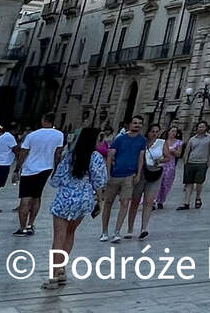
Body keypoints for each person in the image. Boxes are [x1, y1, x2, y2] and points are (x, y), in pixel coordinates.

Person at [41, 126, 108, 290]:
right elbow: (100, 181)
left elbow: (56, 179)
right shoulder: (96, 157)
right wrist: (99, 201)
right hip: (84, 199)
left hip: (65, 198)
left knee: (58, 237)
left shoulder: (70, 156)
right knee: (71, 233)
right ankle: (62, 270)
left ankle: (53, 277)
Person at [14, 113, 66, 236]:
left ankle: (22, 228)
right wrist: (56, 170)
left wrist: (17, 169)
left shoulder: (32, 135)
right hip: (47, 169)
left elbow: (23, 153)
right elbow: (57, 154)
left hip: (29, 170)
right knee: (37, 197)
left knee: (25, 198)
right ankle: (30, 224)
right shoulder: (59, 135)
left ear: (43, 120)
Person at [101, 116, 147, 242]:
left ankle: (117, 232)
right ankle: (104, 231)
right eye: (135, 123)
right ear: (130, 124)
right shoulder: (120, 139)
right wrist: (108, 172)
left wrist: (138, 173)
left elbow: (141, 157)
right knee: (108, 202)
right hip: (115, 174)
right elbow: (111, 155)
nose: (137, 125)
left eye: (140, 123)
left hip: (129, 175)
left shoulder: (142, 140)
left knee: (125, 202)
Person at [129, 123, 165, 240]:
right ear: (148, 132)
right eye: (152, 131)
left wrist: (160, 160)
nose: (154, 134)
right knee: (135, 201)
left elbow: (168, 157)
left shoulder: (161, 143)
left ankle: (143, 228)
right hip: (142, 172)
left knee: (148, 202)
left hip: (155, 173)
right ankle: (130, 229)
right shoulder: (142, 142)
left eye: (157, 131)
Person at [177, 120, 210, 210]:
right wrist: (185, 161)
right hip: (191, 162)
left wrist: (208, 163)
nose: (201, 128)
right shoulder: (192, 139)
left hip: (202, 163)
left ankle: (198, 197)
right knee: (188, 183)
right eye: (199, 127)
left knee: (199, 182)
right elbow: (187, 151)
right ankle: (186, 202)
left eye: (203, 127)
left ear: (206, 128)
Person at [154, 125, 183, 210]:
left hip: (170, 165)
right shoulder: (162, 141)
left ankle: (161, 201)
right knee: (157, 182)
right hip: (161, 163)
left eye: (175, 131)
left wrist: (174, 151)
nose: (174, 133)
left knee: (166, 183)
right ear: (168, 132)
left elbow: (179, 154)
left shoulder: (179, 142)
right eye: (172, 131)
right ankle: (153, 200)